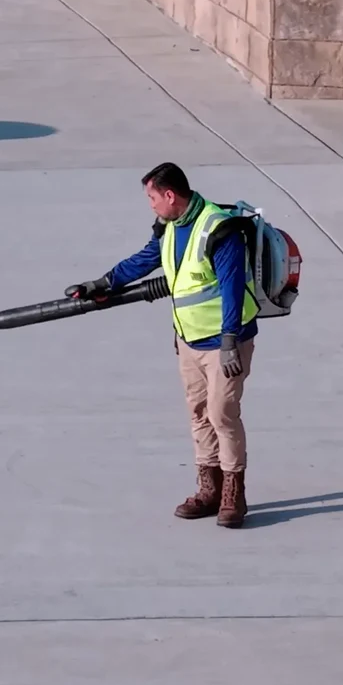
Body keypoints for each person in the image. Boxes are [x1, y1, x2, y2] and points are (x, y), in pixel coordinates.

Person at [67, 162, 259, 528]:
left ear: (170, 195)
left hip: (225, 343)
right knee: (199, 414)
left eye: (153, 198)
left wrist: (231, 340)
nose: (151, 206)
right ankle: (209, 490)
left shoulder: (219, 229)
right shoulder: (171, 226)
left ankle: (235, 492)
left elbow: (232, 287)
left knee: (222, 414)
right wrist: (104, 282)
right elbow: (146, 259)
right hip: (188, 341)